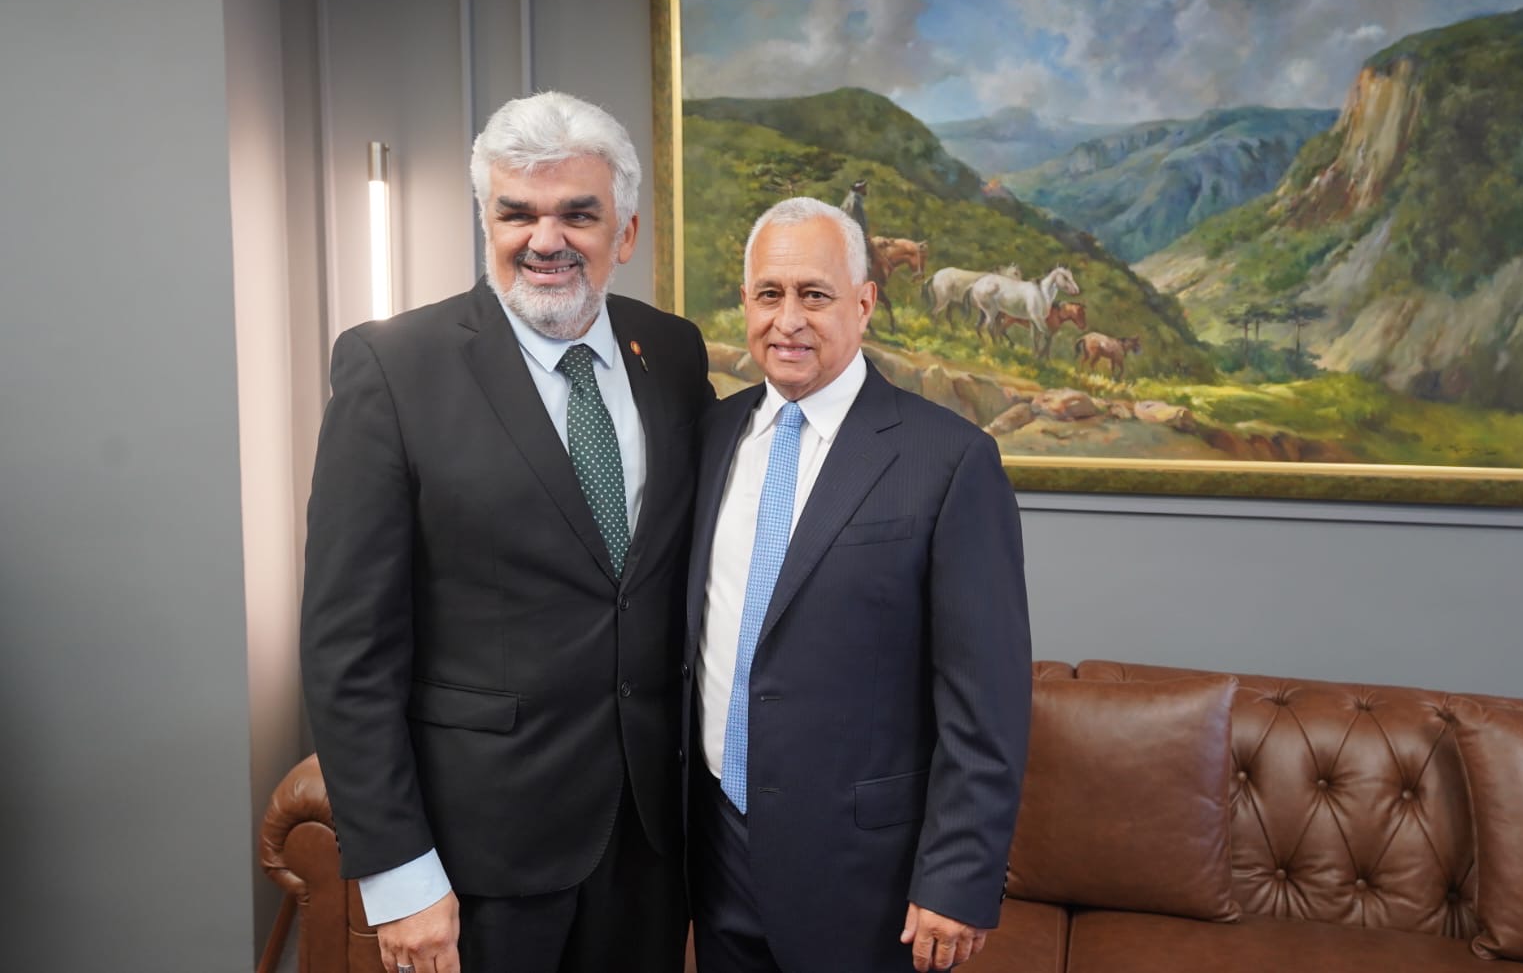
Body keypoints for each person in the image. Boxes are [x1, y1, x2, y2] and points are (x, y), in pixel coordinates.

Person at [301, 91, 713, 973]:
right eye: (517, 213)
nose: (544, 240)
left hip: (648, 848)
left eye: (577, 214)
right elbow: (347, 651)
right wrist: (400, 876)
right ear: (486, 222)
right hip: (475, 861)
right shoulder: (391, 368)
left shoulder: (674, 354)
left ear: (626, 232)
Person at [685, 196, 1032, 973]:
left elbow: (988, 699)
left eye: (815, 294)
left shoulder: (950, 460)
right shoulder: (708, 437)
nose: (789, 320)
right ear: (745, 303)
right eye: (769, 294)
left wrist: (958, 878)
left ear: (865, 302)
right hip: (713, 853)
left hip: (866, 875)